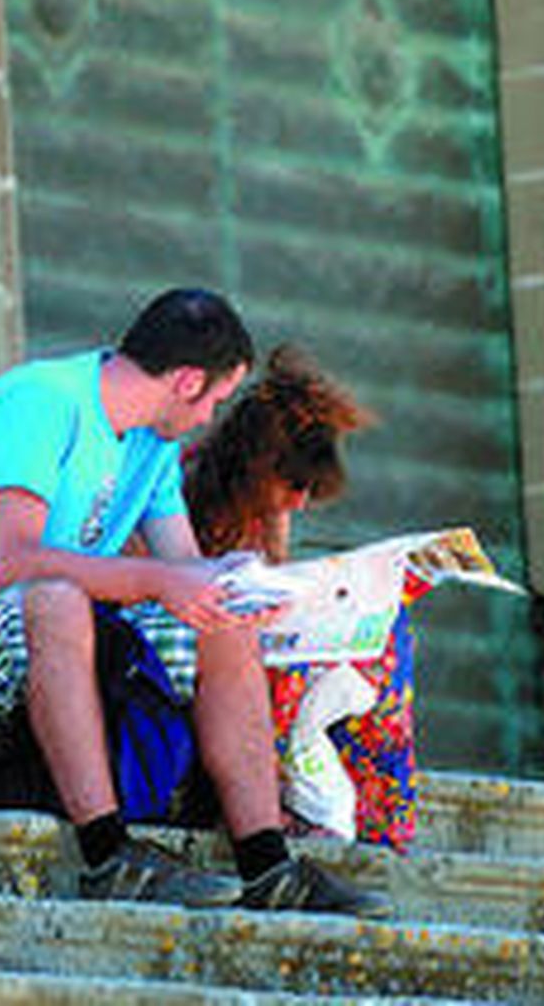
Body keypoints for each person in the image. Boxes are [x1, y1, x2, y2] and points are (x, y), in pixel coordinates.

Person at [0, 289, 389, 918]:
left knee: (223, 621)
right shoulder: (43, 401)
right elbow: (14, 563)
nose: (209, 419)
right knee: (54, 599)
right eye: (216, 401)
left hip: (53, 633)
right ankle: (108, 853)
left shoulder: (152, 447)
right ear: (189, 381)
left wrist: (246, 587)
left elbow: (186, 571)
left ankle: (267, 864)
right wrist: (160, 581)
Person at [177, 345, 426, 851]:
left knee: (387, 635)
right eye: (292, 485)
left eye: (309, 490)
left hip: (260, 634)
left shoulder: (271, 510)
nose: (298, 501)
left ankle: (380, 816)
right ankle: (283, 803)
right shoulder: (181, 487)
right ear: (258, 463)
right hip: (203, 645)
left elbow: (276, 578)